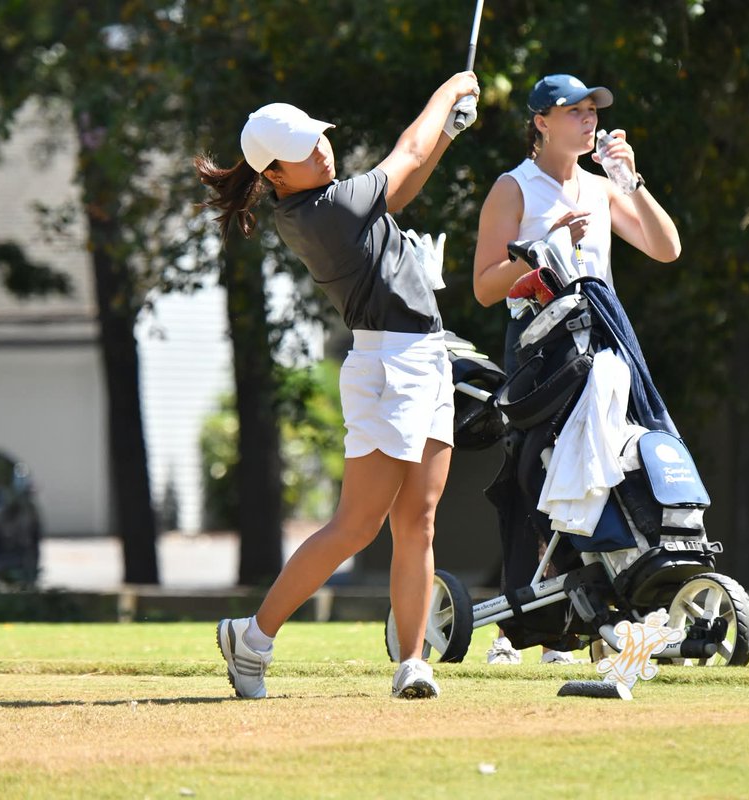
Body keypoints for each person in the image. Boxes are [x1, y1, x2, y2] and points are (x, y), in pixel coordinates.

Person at [195, 71, 481, 700]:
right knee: (356, 526)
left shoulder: (328, 202)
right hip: (389, 366)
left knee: (420, 522)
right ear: (276, 175)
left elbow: (400, 191)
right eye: (303, 151)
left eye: (316, 139)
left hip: (425, 357)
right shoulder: (325, 210)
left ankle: (413, 662)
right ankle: (253, 638)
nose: (321, 149)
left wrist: (448, 138)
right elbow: (405, 155)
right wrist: (447, 92)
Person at [472, 73, 681, 666]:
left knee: (610, 472)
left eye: (593, 111)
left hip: (604, 349)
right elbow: (486, 288)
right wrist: (540, 249)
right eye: (574, 112)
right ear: (540, 121)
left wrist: (630, 183)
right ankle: (528, 628)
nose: (588, 120)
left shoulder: (599, 186)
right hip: (541, 352)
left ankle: (599, 619)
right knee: (545, 477)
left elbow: (666, 248)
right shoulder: (515, 188)